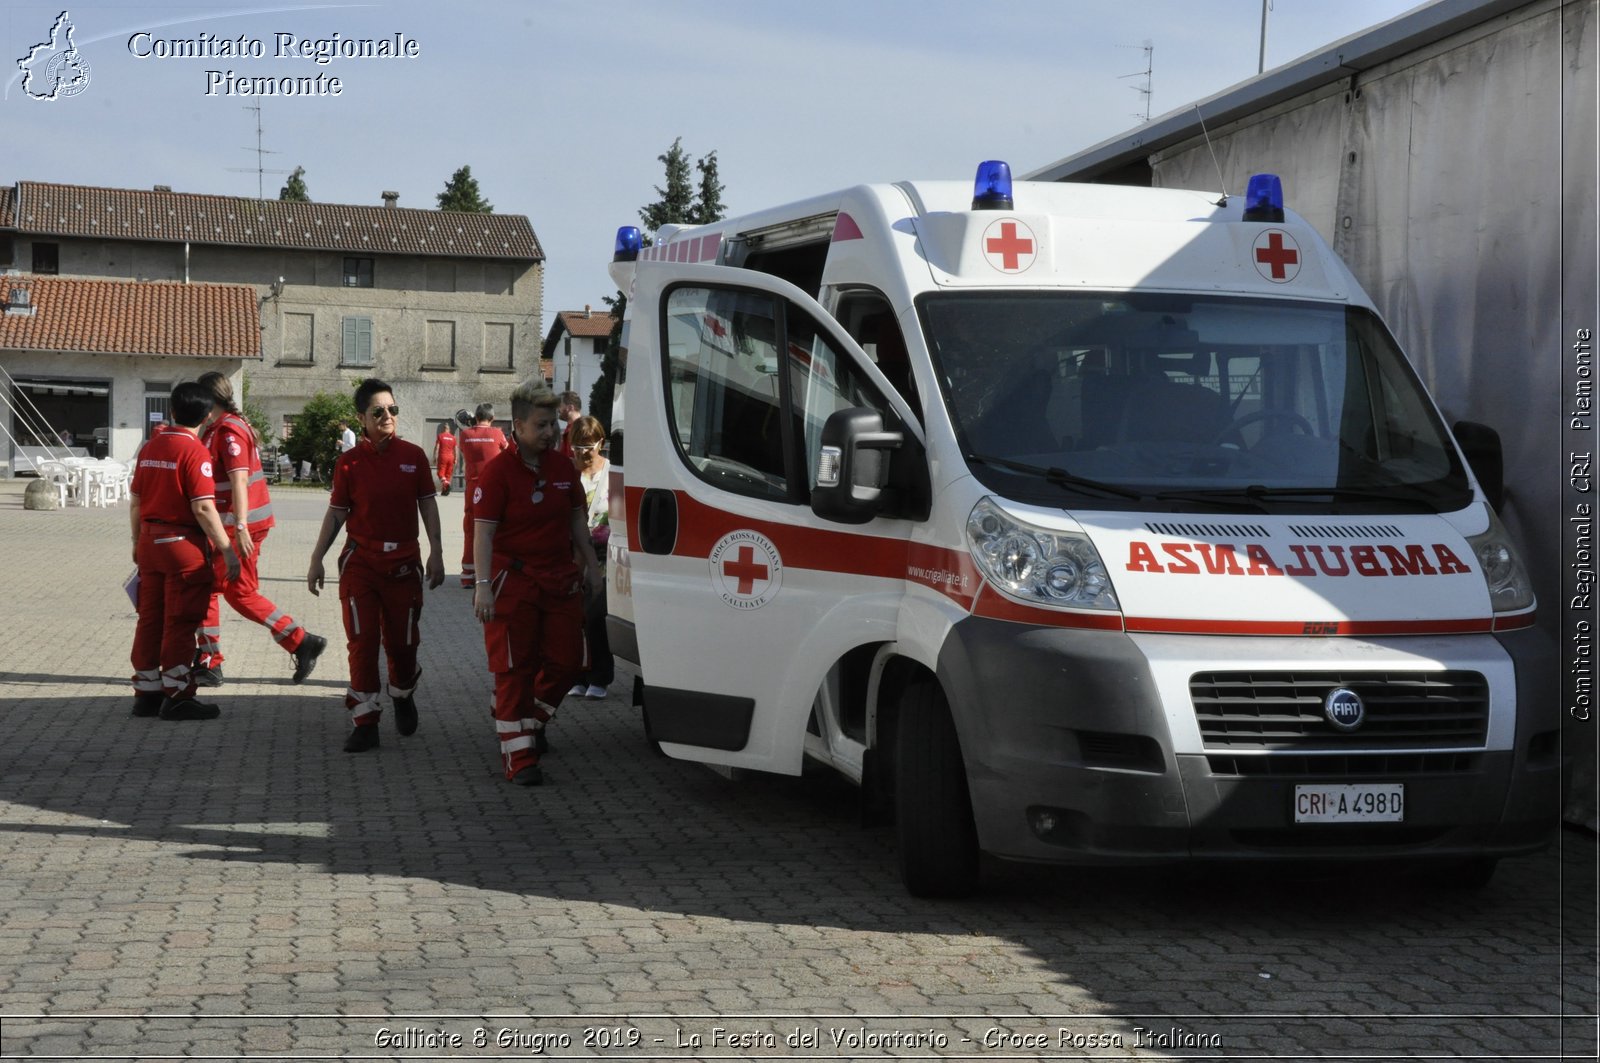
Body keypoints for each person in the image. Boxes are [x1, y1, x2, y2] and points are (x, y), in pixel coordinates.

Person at [472, 379, 602, 786]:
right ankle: (521, 757)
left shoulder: (564, 469)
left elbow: (578, 521)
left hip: (561, 581)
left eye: (553, 425)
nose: (551, 432)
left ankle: (526, 717)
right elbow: (484, 534)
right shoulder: (497, 473)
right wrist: (482, 586)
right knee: (514, 670)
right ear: (520, 425)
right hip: (514, 585)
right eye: (542, 425)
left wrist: (592, 567)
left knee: (568, 663)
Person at [306, 378, 445, 753]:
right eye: (378, 411)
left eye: (392, 410)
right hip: (361, 565)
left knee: (402, 644)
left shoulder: (413, 456)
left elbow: (428, 505)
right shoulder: (349, 463)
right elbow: (337, 512)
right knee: (362, 642)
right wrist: (317, 558)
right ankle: (365, 719)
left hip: (403, 566)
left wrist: (436, 551)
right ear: (362, 418)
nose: (387, 417)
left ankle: (402, 693)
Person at [192, 371, 326, 688]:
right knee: (210, 590)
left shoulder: (228, 431)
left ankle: (299, 639)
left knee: (238, 594)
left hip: (242, 529)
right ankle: (212, 660)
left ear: (210, 399)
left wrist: (239, 527)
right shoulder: (218, 428)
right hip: (235, 528)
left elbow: (238, 479)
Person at [128, 382, 240, 721]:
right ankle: (178, 694)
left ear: (173, 411)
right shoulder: (195, 452)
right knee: (181, 620)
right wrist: (227, 550)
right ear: (207, 416)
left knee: (150, 618)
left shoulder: (150, 447)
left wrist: (136, 542)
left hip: (150, 540)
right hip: (182, 545)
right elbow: (204, 508)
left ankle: (146, 692)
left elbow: (135, 502)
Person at [566, 416, 614, 700]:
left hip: (603, 557)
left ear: (600, 443)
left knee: (596, 617)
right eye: (576, 447)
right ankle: (578, 676)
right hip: (571, 556)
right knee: (574, 619)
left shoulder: (613, 472)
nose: (583, 453)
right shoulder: (568, 474)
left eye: (588, 446)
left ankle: (600, 677)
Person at [458, 403, 508, 588]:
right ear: (492, 418)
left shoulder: (465, 435)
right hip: (493, 487)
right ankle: (491, 571)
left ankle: (467, 575)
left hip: (472, 485)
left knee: (471, 529)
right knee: (494, 528)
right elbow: (507, 450)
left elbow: (464, 451)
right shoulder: (497, 433)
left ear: (477, 416)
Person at [433, 421, 457, 497]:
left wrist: (435, 457)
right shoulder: (453, 438)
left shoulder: (440, 436)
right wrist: (456, 458)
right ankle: (445, 491)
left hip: (443, 456)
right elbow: (456, 449)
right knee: (448, 475)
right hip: (451, 457)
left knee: (440, 473)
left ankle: (446, 484)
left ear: (443, 429)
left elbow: (437, 447)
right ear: (449, 429)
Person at [556, 391, 582, 459]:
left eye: (560, 406)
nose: (558, 410)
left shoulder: (581, 429)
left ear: (570, 407)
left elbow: (576, 459)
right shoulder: (571, 427)